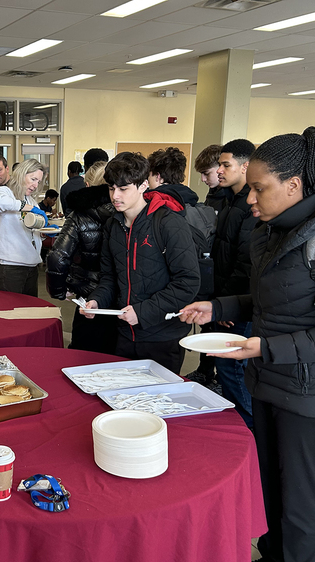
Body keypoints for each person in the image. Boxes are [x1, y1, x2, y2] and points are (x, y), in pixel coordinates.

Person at [179, 126, 315, 562]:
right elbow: (274, 303)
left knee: (302, 503)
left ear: (294, 185)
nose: (250, 197)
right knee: (270, 487)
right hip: (272, 381)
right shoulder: (274, 232)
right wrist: (222, 307)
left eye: (259, 187)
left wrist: (265, 348)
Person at [82, 152, 200, 373]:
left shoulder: (169, 224)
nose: (115, 195)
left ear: (144, 185)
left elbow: (188, 283)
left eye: (123, 188)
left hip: (162, 337)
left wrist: (143, 312)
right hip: (125, 333)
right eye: (111, 188)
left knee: (159, 403)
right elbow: (110, 278)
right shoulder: (112, 226)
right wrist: (97, 301)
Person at [46, 161, 117, 354]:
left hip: (88, 295)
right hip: (123, 298)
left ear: (87, 185)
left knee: (82, 353)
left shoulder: (79, 215)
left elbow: (57, 258)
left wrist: (60, 291)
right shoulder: (126, 212)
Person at [212, 138, 258, 427]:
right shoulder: (229, 200)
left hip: (238, 302)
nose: (219, 171)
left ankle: (249, 429)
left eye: (226, 165)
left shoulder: (249, 206)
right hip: (227, 298)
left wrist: (226, 305)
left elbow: (245, 262)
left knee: (233, 369)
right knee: (227, 367)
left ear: (246, 167)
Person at [185, 143, 225, 392]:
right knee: (207, 327)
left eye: (206, 173)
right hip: (210, 270)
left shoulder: (234, 200)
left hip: (223, 275)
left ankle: (219, 377)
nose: (202, 179)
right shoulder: (213, 197)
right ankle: (205, 370)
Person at [0, 158, 48, 297]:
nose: (35, 185)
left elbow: (30, 231)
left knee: (29, 310)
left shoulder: (31, 199)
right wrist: (28, 209)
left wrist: (43, 232)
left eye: (38, 182)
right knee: (10, 311)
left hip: (31, 264)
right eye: (33, 179)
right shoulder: (5, 192)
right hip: (11, 266)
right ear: (22, 174)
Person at [194, 144, 226, 213]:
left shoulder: (230, 198)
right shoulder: (212, 194)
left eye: (206, 173)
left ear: (220, 167)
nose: (203, 179)